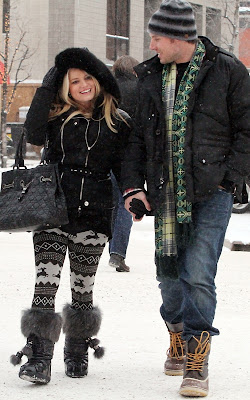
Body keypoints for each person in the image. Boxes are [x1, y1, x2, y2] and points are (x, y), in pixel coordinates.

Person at [122, 0, 250, 397]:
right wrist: (132, 186)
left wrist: (231, 179)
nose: (153, 45)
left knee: (197, 273)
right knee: (169, 278)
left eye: (157, 37)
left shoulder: (228, 70)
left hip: (213, 191)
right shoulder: (148, 78)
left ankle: (197, 359)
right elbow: (133, 140)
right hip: (163, 190)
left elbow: (248, 129)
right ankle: (176, 333)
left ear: (180, 38)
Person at [10, 47, 132, 383]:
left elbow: (125, 170)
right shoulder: (54, 116)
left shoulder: (118, 121)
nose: (82, 85)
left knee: (83, 287)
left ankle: (77, 347)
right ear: (65, 86)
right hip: (53, 210)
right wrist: (48, 84)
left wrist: (135, 196)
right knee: (45, 284)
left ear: (98, 81)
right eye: (73, 80)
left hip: (94, 215)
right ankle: (38, 356)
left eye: (87, 78)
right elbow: (32, 135)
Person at [108, 55, 139, 272]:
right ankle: (117, 253)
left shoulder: (106, 89)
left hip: (103, 153)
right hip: (129, 156)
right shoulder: (141, 89)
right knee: (125, 203)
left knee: (105, 203)